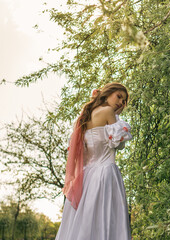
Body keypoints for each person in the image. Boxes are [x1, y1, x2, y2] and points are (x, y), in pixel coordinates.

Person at [55, 82, 133, 240]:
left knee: (87, 221)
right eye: (119, 96)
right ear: (106, 94)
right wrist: (117, 116)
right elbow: (118, 144)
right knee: (108, 221)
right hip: (105, 172)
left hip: (87, 177)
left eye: (124, 101)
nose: (121, 103)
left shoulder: (85, 117)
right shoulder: (108, 112)